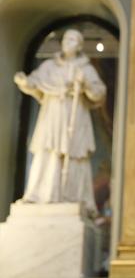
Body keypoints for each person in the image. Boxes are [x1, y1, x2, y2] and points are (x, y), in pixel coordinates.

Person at [14, 29, 106, 215]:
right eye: (65, 39)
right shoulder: (50, 66)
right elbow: (34, 81)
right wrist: (24, 81)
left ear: (79, 45)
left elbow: (99, 93)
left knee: (73, 156)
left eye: (72, 39)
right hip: (52, 114)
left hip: (74, 117)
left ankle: (72, 195)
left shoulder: (85, 69)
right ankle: (39, 194)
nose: (67, 42)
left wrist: (85, 84)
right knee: (47, 152)